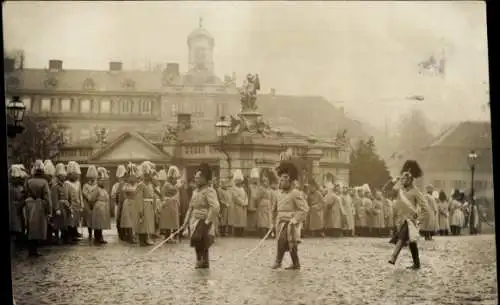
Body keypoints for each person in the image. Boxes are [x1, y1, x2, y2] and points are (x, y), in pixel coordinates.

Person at [388, 160, 427, 270]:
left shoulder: (416, 192)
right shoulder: (400, 190)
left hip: (411, 221)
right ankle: (417, 263)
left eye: (406, 179)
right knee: (412, 243)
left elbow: (425, 208)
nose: (404, 181)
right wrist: (393, 181)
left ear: (411, 180)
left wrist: (419, 220)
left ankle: (393, 257)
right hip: (400, 220)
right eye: (403, 179)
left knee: (402, 237)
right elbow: (387, 191)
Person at [180, 163, 220, 269]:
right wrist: (185, 222)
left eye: (198, 177)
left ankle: (204, 261)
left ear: (204, 179)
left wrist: (208, 220)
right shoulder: (195, 191)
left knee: (203, 240)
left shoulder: (209, 191)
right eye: (195, 177)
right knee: (196, 240)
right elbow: (190, 207)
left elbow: (215, 207)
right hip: (194, 220)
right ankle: (200, 260)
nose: (195, 179)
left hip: (204, 219)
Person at [271, 161, 309, 270]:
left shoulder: (295, 193)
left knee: (285, 241)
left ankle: (278, 261)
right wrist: (272, 223)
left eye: (283, 180)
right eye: (280, 180)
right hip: (280, 222)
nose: (281, 182)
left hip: (291, 223)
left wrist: (295, 219)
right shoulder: (277, 193)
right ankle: (296, 263)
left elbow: (304, 209)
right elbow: (274, 209)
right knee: (287, 243)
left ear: (289, 181)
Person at [24, 160, 53, 257]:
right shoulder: (44, 182)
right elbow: (47, 197)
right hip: (39, 205)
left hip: (29, 205)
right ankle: (34, 250)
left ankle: (31, 250)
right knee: (38, 228)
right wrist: (49, 210)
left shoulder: (29, 181)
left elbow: (25, 193)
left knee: (30, 227)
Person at [51, 163, 74, 245]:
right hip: (59, 206)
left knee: (65, 223)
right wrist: (56, 208)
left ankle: (65, 238)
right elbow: (54, 198)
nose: (64, 177)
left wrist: (69, 205)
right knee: (58, 224)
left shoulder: (65, 185)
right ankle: (57, 239)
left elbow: (68, 196)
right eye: (62, 175)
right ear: (59, 176)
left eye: (64, 175)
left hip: (65, 206)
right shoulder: (55, 186)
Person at [136, 161, 156, 246]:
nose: (147, 177)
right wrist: (140, 210)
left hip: (150, 205)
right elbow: (139, 198)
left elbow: (153, 195)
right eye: (146, 175)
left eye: (148, 175)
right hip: (144, 205)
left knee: (148, 224)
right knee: (142, 223)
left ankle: (146, 238)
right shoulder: (141, 185)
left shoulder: (150, 184)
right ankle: (142, 240)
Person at [159, 166, 181, 242]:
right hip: (168, 204)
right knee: (168, 222)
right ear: (170, 178)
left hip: (172, 204)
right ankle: (167, 237)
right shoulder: (167, 184)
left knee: (173, 221)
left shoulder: (170, 184)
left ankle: (171, 237)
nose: (175, 180)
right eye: (174, 178)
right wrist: (178, 186)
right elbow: (173, 190)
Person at [121, 163, 141, 244]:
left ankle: (135, 236)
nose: (132, 179)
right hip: (128, 202)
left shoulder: (138, 185)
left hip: (135, 202)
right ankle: (129, 236)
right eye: (130, 177)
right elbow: (125, 192)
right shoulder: (126, 185)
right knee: (128, 221)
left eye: (134, 177)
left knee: (135, 220)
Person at [9, 164, 28, 251]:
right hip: (15, 208)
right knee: (17, 226)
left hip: (18, 208)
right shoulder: (12, 187)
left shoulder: (19, 186)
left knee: (20, 225)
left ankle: (20, 242)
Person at [92, 167, 111, 245]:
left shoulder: (104, 189)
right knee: (98, 224)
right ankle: (97, 238)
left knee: (101, 223)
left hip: (104, 207)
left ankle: (100, 237)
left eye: (103, 181)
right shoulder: (96, 188)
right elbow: (92, 198)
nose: (103, 182)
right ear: (98, 181)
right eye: (101, 181)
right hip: (98, 207)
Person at [65, 161, 84, 241]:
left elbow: (80, 194)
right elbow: (66, 196)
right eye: (74, 174)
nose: (76, 176)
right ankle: (70, 235)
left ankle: (75, 233)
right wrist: (68, 205)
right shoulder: (67, 183)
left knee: (76, 220)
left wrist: (81, 204)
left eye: (76, 174)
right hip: (71, 205)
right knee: (70, 221)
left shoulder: (78, 183)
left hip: (77, 205)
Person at [256, 168, 275, 238]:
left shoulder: (270, 190)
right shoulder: (261, 189)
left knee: (268, 220)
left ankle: (267, 234)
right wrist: (259, 205)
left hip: (268, 205)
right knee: (262, 220)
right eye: (264, 181)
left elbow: (272, 198)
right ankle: (262, 233)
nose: (265, 183)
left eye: (266, 181)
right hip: (262, 204)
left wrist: (272, 205)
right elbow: (258, 197)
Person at [229, 170, 248, 237]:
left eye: (240, 180)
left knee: (242, 221)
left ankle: (241, 233)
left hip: (243, 207)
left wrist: (246, 202)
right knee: (237, 221)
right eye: (237, 180)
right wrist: (242, 203)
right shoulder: (233, 189)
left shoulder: (243, 189)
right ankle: (236, 234)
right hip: (237, 207)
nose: (239, 182)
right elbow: (235, 198)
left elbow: (246, 196)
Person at [82, 165, 99, 241]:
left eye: (93, 177)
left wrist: (94, 199)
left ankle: (96, 233)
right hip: (87, 204)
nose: (92, 179)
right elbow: (84, 193)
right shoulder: (85, 185)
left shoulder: (97, 185)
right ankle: (90, 233)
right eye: (90, 178)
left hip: (95, 203)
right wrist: (89, 198)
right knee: (89, 218)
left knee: (95, 218)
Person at [111, 165, 127, 240]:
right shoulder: (115, 185)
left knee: (125, 219)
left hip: (125, 204)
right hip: (118, 204)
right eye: (121, 177)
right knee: (118, 219)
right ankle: (120, 234)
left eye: (123, 176)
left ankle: (125, 233)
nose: (122, 178)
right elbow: (113, 196)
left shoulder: (126, 184)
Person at [247, 168, 261, 235]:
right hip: (251, 202)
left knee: (256, 215)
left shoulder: (259, 187)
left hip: (257, 202)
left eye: (256, 179)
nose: (255, 180)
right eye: (254, 179)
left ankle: (255, 228)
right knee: (251, 215)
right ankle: (249, 229)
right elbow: (249, 195)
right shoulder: (249, 187)